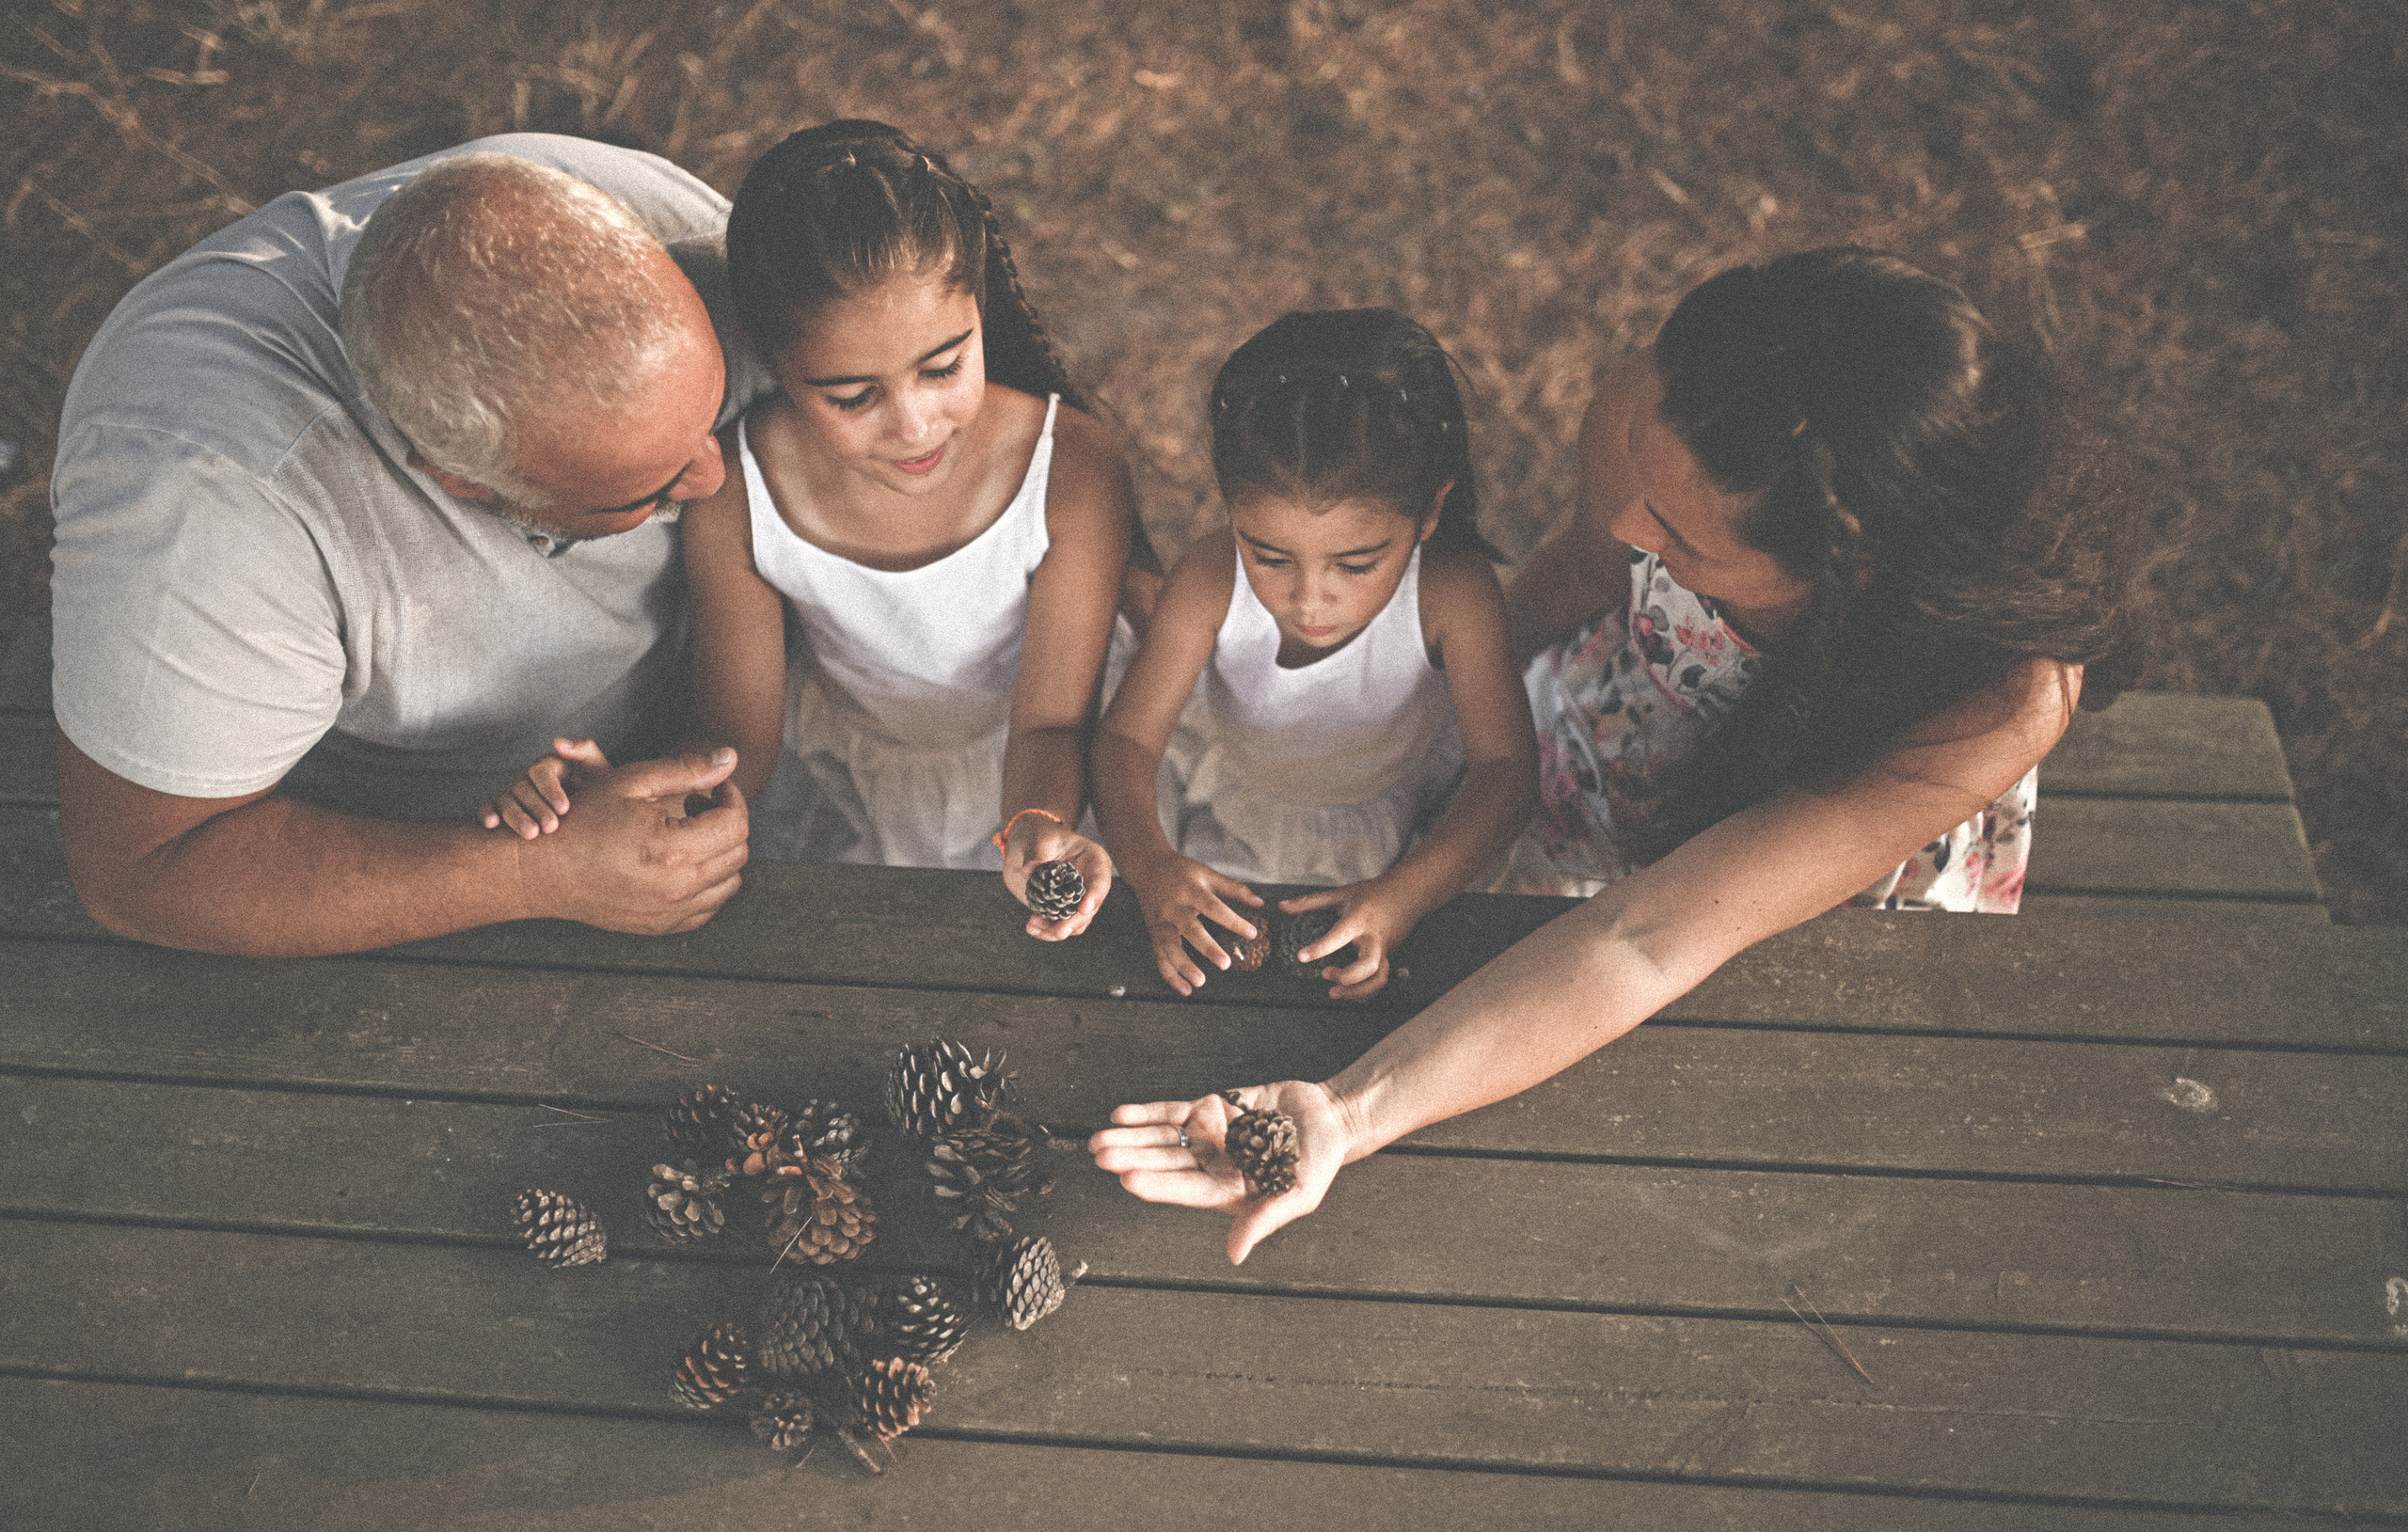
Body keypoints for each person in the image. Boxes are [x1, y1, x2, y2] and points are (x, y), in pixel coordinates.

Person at [1092, 247, 2147, 1257]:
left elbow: (1644, 939)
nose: (1634, 529)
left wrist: (1354, 1109)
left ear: (1849, 568)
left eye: (1685, 541)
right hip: (1615, 735)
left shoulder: (1992, 703)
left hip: (1817, 867)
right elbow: (1583, 567)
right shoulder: (1665, 402)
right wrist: (1430, 691)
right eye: (1643, 481)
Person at [49, 134, 773, 957]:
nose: (717, 478)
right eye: (650, 490)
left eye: (712, 414)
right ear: (456, 479)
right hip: (402, 831)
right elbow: (141, 869)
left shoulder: (683, 239)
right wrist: (536, 874)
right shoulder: (207, 511)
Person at [485, 121, 1138, 940]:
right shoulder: (739, 490)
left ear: (980, 308)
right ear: (774, 364)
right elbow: (738, 738)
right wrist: (643, 796)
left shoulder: (1071, 468)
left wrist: (1037, 826)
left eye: (943, 367)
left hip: (1051, 766)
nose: (913, 426)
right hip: (850, 771)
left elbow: (1049, 725)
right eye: (853, 396)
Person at [1093, 309, 1538, 1000]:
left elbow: (1506, 770)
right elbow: (1126, 740)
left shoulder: (1453, 592)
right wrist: (1152, 868)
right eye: (1269, 557)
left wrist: (1404, 896)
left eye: (1356, 565)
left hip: (1407, 832)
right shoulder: (1209, 580)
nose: (1308, 600)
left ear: (1429, 512)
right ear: (1232, 509)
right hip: (1240, 802)